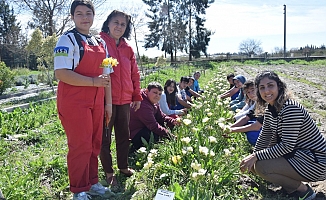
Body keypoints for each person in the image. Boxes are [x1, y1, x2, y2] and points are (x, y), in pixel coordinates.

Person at [54, 0, 111, 199]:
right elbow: (61, 73)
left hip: (97, 100)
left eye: (88, 13)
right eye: (79, 14)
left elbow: (107, 75)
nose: (84, 17)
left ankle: (92, 182)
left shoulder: (100, 42)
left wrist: (108, 103)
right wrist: (93, 82)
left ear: (94, 16)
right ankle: (78, 190)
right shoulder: (66, 40)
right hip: (74, 101)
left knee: (95, 143)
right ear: (72, 17)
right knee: (80, 145)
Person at [240, 71, 326, 200]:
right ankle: (288, 184)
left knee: (262, 166)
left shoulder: (290, 108)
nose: (266, 91)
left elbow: (287, 146)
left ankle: (303, 191)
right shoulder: (270, 109)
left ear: (279, 86)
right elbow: (264, 137)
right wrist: (253, 156)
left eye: (270, 85)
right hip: (298, 156)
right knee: (255, 164)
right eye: (262, 87)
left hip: (315, 161)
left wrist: (256, 157)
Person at [99, 10, 142, 185]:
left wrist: (136, 95)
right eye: (116, 22)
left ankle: (123, 166)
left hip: (124, 100)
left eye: (123, 24)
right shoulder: (99, 43)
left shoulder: (128, 48)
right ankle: (109, 172)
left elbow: (135, 74)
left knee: (124, 134)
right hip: (105, 100)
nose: (119, 26)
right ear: (108, 23)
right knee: (105, 137)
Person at [129, 82, 179, 152]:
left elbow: (161, 117)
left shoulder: (153, 101)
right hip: (135, 133)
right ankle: (135, 149)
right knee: (154, 133)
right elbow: (153, 126)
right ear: (147, 91)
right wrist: (170, 136)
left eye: (159, 94)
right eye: (155, 92)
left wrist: (173, 121)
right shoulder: (143, 104)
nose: (157, 96)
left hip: (145, 127)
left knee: (167, 125)